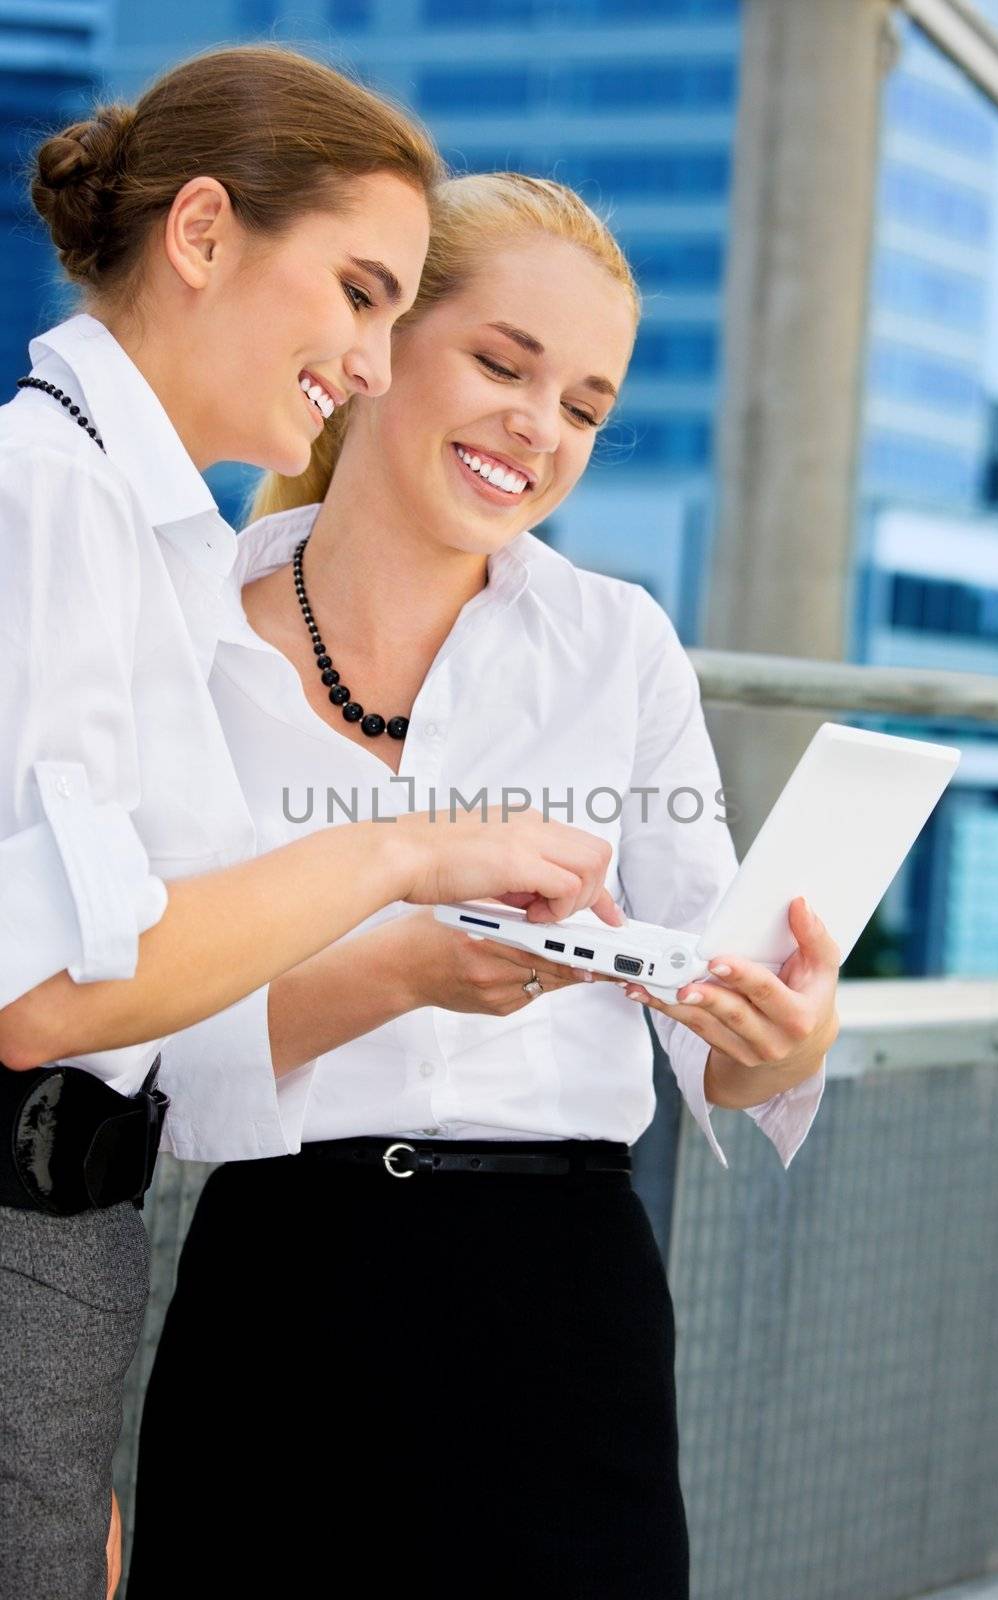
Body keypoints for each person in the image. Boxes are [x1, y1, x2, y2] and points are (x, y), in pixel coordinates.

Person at [126, 174, 839, 1599]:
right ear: (375, 341)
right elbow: (128, 1050)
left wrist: (783, 1039)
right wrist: (393, 975)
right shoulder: (179, 634)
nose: (540, 426)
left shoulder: (614, 645)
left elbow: (716, 1021)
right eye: (503, 365)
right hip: (279, 1286)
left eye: (583, 404)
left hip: (561, 1301)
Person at [0, 70, 622, 1600]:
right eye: (356, 294)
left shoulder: (122, 524)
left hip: (69, 1253)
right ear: (201, 232)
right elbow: (46, 995)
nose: (361, 358)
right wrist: (404, 855)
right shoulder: (54, 499)